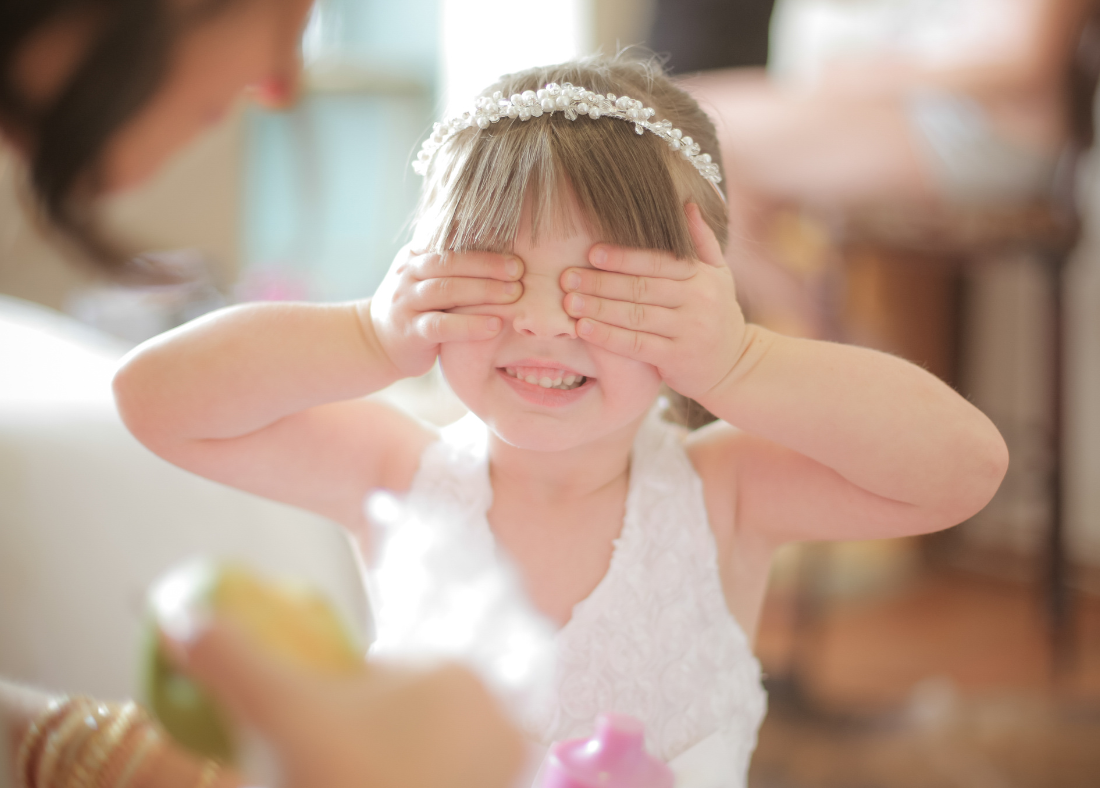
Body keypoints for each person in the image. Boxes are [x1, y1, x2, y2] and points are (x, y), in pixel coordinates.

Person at [111, 54, 1010, 787]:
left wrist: (745, 363)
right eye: (492, 274)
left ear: (696, 307)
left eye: (605, 290)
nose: (542, 322)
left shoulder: (723, 492)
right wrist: (365, 335)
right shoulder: (398, 475)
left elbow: (964, 470)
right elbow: (152, 401)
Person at [1, 2, 526, 787]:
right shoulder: (410, 458)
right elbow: (147, 396)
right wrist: (368, 337)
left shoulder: (704, 483)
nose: (281, 80)